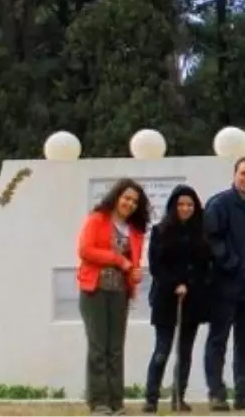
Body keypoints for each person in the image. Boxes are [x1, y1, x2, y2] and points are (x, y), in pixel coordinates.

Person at [203, 157, 245, 411]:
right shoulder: (219, 204)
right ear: (235, 174)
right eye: (244, 173)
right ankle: (217, 393)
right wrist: (232, 264)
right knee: (218, 340)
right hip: (225, 286)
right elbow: (212, 240)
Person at [77, 178, 149, 417]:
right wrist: (119, 260)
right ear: (117, 197)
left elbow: (133, 262)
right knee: (99, 347)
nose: (129, 203)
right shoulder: (97, 219)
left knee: (115, 348)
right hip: (95, 289)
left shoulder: (134, 230)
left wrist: (135, 273)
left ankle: (116, 402)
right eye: (126, 198)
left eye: (134, 201)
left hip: (120, 292)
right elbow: (85, 250)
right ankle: (99, 402)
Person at [144, 185, 210, 413]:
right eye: (181, 204)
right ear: (173, 206)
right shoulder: (160, 231)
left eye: (190, 205)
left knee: (185, 351)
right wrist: (175, 284)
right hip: (166, 298)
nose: (185, 209)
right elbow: (155, 265)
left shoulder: (200, 232)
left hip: (192, 300)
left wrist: (192, 284)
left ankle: (178, 397)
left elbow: (204, 265)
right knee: (162, 350)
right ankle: (151, 398)